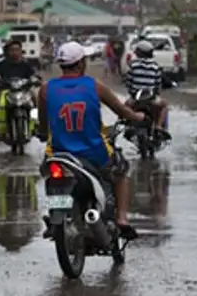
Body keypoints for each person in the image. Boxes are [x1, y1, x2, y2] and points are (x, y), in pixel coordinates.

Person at [38, 41, 146, 240]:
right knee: (121, 171)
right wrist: (138, 117)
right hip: (94, 153)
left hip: (58, 154)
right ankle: (122, 219)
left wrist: (43, 133)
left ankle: (56, 213)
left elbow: (43, 126)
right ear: (80, 64)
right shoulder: (94, 86)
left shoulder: (46, 89)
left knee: (50, 175)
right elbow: (121, 111)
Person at [125, 40, 170, 139]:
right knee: (164, 106)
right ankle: (159, 126)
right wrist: (156, 94)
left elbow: (129, 82)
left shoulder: (132, 64)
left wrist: (132, 93)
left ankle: (128, 125)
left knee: (125, 106)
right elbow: (158, 85)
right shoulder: (155, 66)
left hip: (136, 99)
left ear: (140, 52)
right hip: (151, 99)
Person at [0, 40, 37, 122]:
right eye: (12, 50)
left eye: (17, 49)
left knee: (34, 97)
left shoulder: (26, 63)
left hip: (24, 89)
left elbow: (33, 74)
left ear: (21, 51)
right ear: (8, 52)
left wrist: (34, 79)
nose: (15, 52)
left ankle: (36, 118)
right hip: (6, 89)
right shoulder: (2, 64)